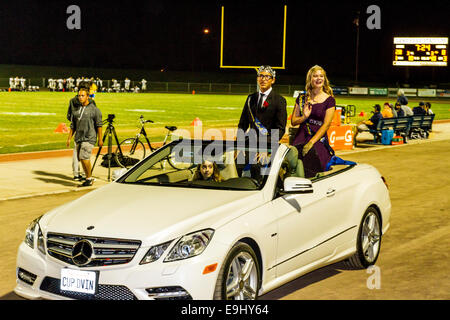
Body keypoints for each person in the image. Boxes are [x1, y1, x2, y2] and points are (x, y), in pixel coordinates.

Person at [290, 65, 336, 178]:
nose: (318, 78)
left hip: (318, 139)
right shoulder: (301, 98)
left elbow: (326, 125)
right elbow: (293, 121)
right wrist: (304, 117)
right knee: (293, 163)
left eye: (321, 76)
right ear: (310, 79)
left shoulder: (330, 100)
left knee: (313, 162)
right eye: (315, 76)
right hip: (301, 136)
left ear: (324, 79)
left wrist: (311, 143)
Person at [238, 65, 287, 142]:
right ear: (257, 79)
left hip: (268, 144)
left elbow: (280, 129)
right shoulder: (250, 98)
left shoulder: (279, 100)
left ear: (273, 80)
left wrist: (266, 145)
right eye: (261, 76)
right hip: (250, 143)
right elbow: (242, 124)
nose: (263, 79)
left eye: (267, 76)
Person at [66, 86, 103, 186]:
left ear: (88, 97)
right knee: (81, 158)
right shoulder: (76, 110)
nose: (80, 97)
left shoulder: (94, 110)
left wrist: (100, 139)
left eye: (82, 96)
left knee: (83, 157)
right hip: (79, 137)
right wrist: (69, 138)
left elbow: (99, 125)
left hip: (89, 137)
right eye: (79, 96)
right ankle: (88, 177)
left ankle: (88, 178)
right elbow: (73, 125)